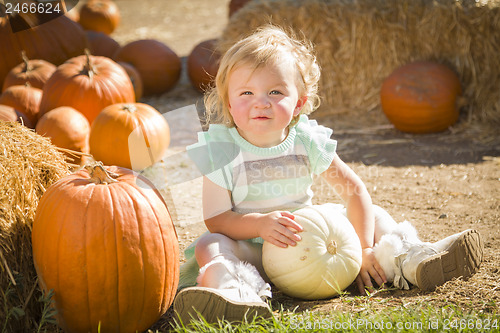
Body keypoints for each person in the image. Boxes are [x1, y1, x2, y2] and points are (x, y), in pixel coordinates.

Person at [173, 25, 483, 324]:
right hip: (253, 249)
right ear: (229, 101)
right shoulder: (220, 148)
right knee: (210, 243)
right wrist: (261, 224)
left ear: (299, 104)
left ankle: (409, 259)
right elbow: (217, 217)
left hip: (313, 243)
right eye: (247, 92)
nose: (261, 102)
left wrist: (360, 250)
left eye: (276, 91)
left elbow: (354, 192)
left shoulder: (307, 140)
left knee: (373, 215)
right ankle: (235, 291)